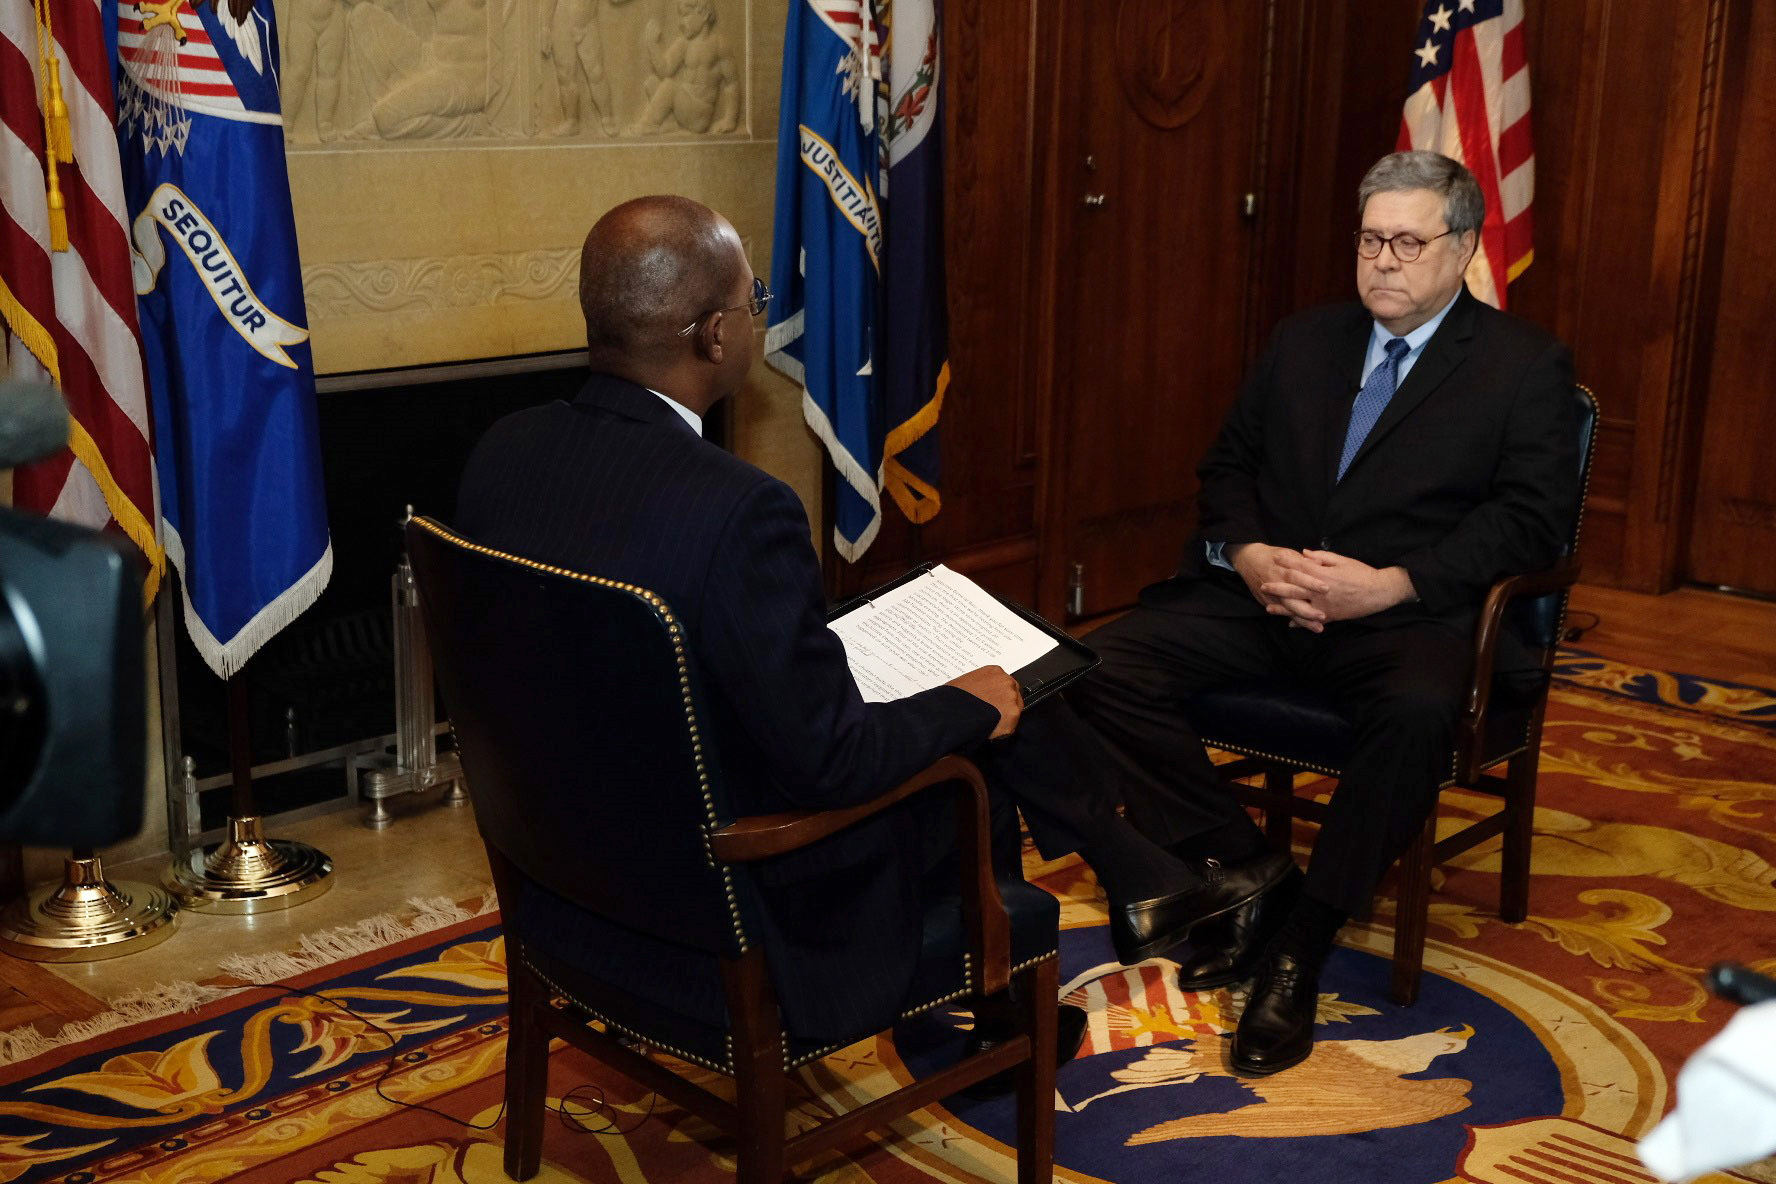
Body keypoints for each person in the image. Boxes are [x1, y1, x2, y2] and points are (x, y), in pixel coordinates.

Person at [453, 196, 1287, 1065]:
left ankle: (1139, 878)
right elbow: (832, 763)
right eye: (754, 301)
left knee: (973, 693)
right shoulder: (738, 510)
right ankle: (1027, 987)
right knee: (984, 740)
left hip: (576, 861)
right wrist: (970, 706)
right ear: (710, 337)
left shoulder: (502, 454)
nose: (757, 319)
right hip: (733, 892)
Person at [1063, 151, 1580, 1076]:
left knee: (1420, 712)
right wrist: (1251, 554)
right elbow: (1226, 467)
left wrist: (1391, 583)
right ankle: (1250, 867)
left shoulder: (1521, 364)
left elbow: (1530, 521)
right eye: (1371, 238)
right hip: (1266, 600)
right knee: (1097, 669)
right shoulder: (1306, 339)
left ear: (1461, 249)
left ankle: (1301, 939)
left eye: (1407, 242)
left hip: (1404, 618)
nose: (1382, 260)